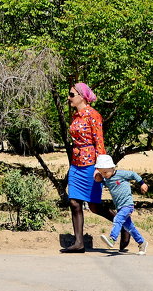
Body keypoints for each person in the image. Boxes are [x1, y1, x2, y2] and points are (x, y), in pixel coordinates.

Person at [60, 82, 115, 253]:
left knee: (94, 206)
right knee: (74, 202)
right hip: (76, 164)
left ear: (82, 97)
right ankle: (79, 242)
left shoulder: (93, 115)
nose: (68, 98)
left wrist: (100, 167)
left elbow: (99, 142)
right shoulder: (76, 116)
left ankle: (125, 225)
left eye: (71, 95)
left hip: (91, 164)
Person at [93, 154, 148, 254]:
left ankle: (112, 239)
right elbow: (101, 180)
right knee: (130, 227)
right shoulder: (106, 179)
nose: (104, 175)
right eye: (102, 173)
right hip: (119, 206)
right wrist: (98, 179)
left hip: (127, 205)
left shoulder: (121, 174)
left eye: (105, 172)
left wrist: (142, 183)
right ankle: (142, 242)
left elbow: (133, 174)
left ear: (112, 167)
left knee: (117, 219)